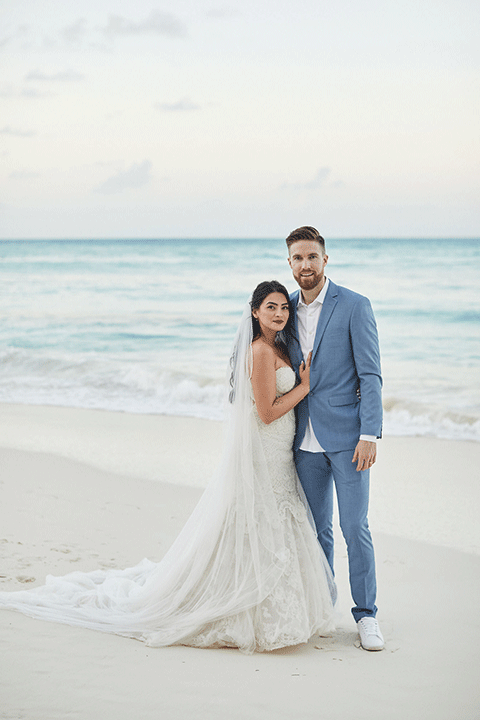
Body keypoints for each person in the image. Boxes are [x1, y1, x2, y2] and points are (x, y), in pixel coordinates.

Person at [0, 280, 336, 654]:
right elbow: (267, 412)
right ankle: (240, 605)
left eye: (283, 308)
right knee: (258, 519)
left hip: (279, 452)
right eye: (270, 307)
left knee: (274, 519)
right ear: (255, 312)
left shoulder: (277, 347)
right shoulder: (259, 351)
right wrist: (304, 387)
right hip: (265, 448)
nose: (279, 314)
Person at [285, 226, 384, 651]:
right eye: (296, 259)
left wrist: (369, 433)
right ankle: (323, 606)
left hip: (348, 439)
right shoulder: (283, 310)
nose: (305, 265)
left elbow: (371, 375)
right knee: (315, 531)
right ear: (289, 264)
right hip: (302, 441)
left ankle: (366, 616)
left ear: (325, 260)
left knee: (353, 527)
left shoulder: (355, 305)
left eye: (311, 257)